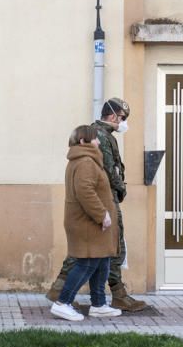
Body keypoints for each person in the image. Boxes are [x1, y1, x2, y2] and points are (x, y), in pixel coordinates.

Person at [46, 98, 149, 312]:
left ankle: (100, 300)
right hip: (105, 200)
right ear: (113, 116)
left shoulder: (102, 137)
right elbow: (106, 174)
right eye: (122, 118)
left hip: (105, 200)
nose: (123, 123)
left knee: (101, 252)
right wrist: (115, 197)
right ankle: (66, 297)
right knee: (99, 251)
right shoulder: (98, 137)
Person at [51, 124, 123, 322]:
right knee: (87, 262)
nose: (98, 141)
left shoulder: (85, 160)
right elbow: (85, 191)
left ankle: (99, 304)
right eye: (95, 138)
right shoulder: (85, 162)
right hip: (89, 222)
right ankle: (63, 303)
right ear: (83, 141)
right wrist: (102, 214)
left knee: (102, 259)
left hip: (91, 222)